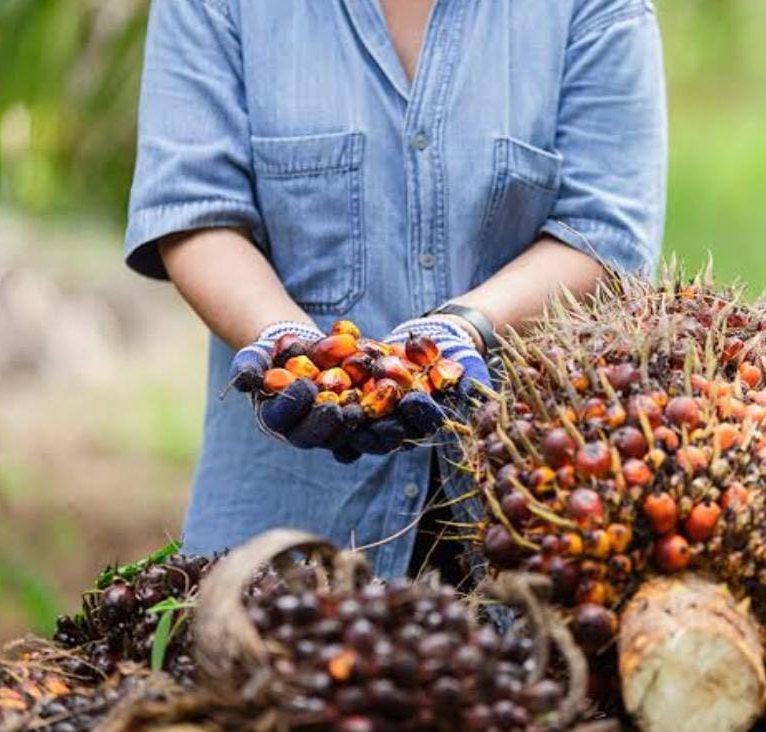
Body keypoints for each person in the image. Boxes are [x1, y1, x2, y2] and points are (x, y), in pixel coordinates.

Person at [124, 0, 667, 578]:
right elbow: (196, 213)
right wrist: (284, 341)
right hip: (288, 526)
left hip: (525, 515)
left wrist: (464, 329)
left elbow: (604, 234)